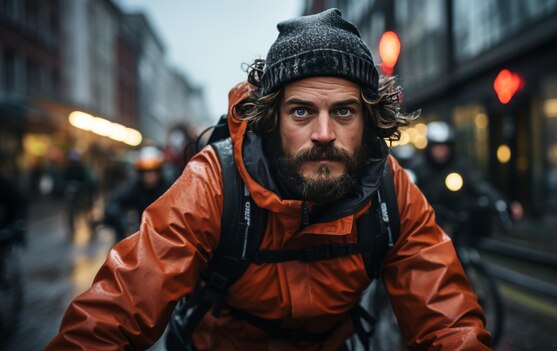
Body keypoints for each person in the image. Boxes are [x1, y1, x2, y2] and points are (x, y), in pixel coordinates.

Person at [47, 9, 491, 351]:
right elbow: (117, 310)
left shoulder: (392, 192)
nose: (323, 134)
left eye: (343, 111)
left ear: (368, 120)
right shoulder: (215, 182)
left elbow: (448, 321)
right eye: (302, 111)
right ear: (271, 119)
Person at [398, 121, 523, 243]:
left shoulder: (460, 165)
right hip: (428, 224)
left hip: (458, 222)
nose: (441, 150)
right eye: (437, 146)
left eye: (445, 146)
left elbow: (481, 186)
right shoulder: (418, 167)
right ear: (430, 147)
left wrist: (504, 202)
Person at [103, 146, 171, 242]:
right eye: (146, 171)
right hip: (141, 235)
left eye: (153, 171)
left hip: (165, 237)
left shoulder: (169, 188)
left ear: (159, 171)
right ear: (140, 173)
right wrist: (114, 213)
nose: (150, 175)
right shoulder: (135, 187)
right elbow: (116, 200)